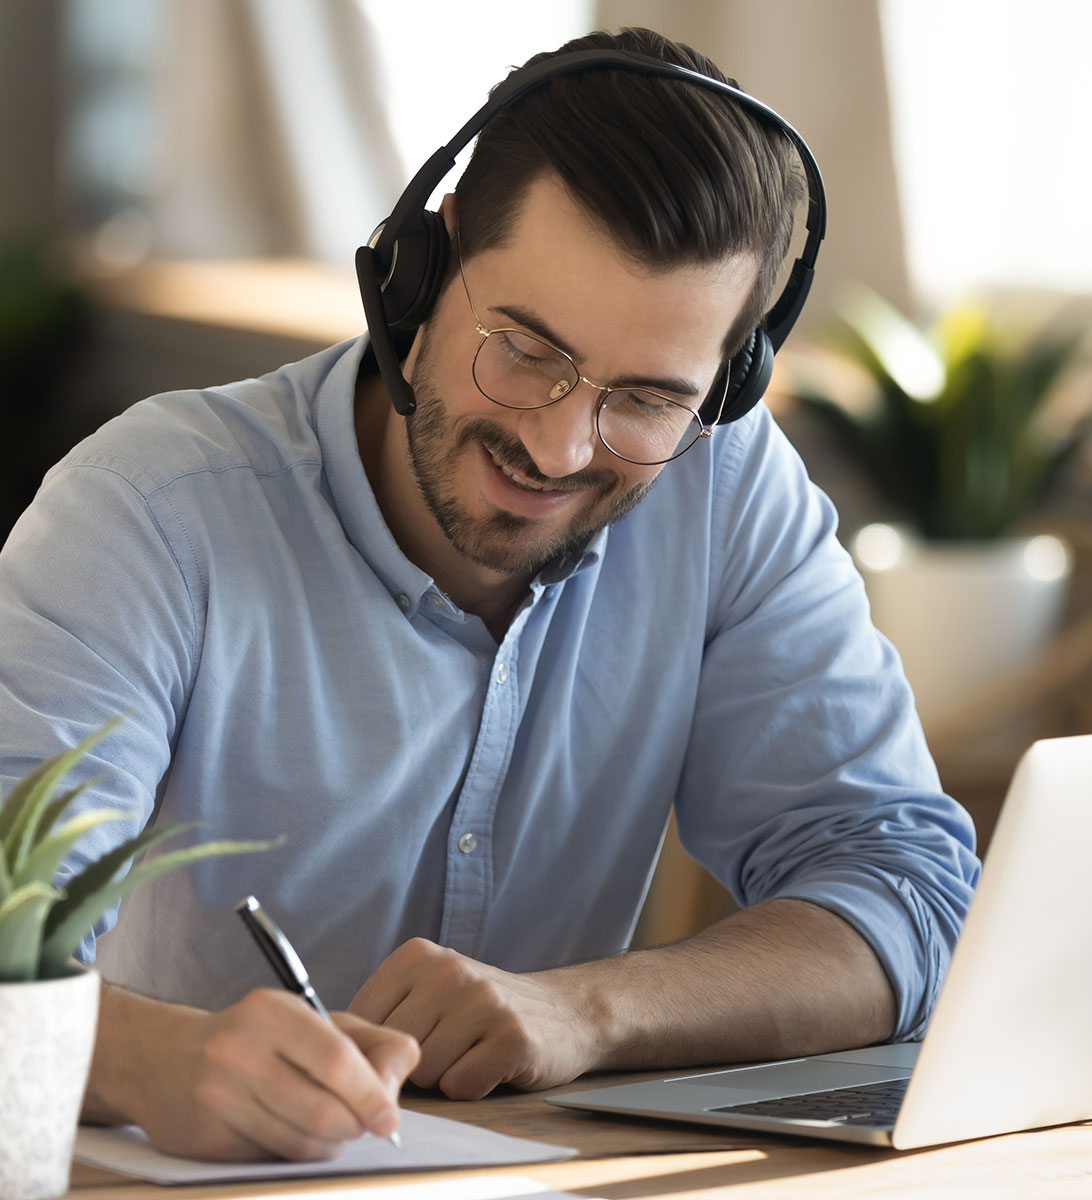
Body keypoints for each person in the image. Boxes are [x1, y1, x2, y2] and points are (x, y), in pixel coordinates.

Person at [0, 27, 978, 1162]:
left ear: (729, 381)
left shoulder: (724, 489)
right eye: (524, 348)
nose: (560, 448)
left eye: (648, 399)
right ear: (425, 262)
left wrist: (585, 1011)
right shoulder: (153, 509)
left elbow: (902, 892)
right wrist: (149, 1057)